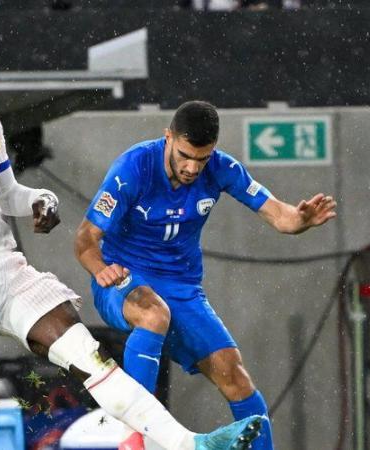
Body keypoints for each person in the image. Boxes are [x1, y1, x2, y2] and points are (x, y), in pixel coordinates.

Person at [0, 8, 261, 450]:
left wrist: (39, 199)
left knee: (92, 359)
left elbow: (5, 192)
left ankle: (189, 444)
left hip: (6, 268)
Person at [75, 100, 337, 450]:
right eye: (185, 155)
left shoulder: (222, 167)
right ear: (168, 137)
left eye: (202, 158)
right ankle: (134, 438)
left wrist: (300, 220)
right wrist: (101, 269)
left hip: (182, 288)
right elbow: (85, 240)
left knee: (235, 375)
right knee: (153, 314)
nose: (192, 167)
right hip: (124, 279)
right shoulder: (133, 168)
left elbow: (281, 216)